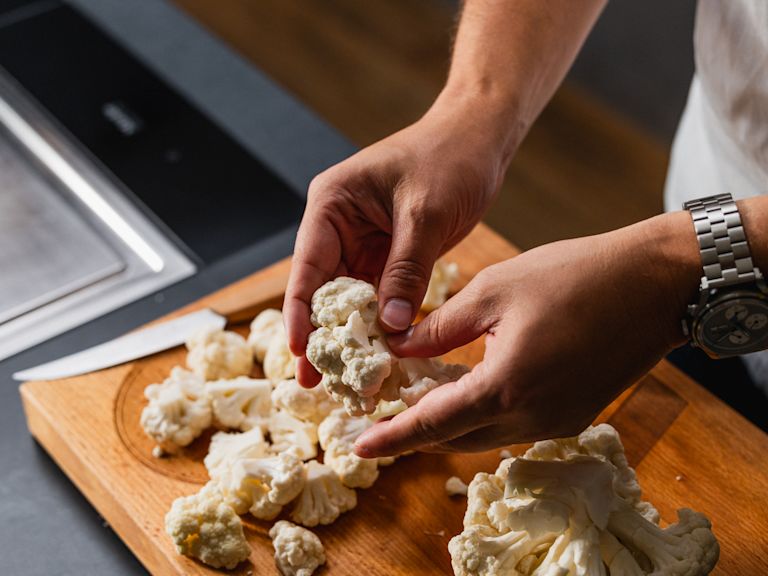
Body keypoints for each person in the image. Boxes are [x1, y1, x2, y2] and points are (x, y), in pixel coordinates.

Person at [283, 0, 768, 457]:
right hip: (717, 192)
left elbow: (671, 274)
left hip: (703, 261)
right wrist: (474, 109)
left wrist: (672, 270)